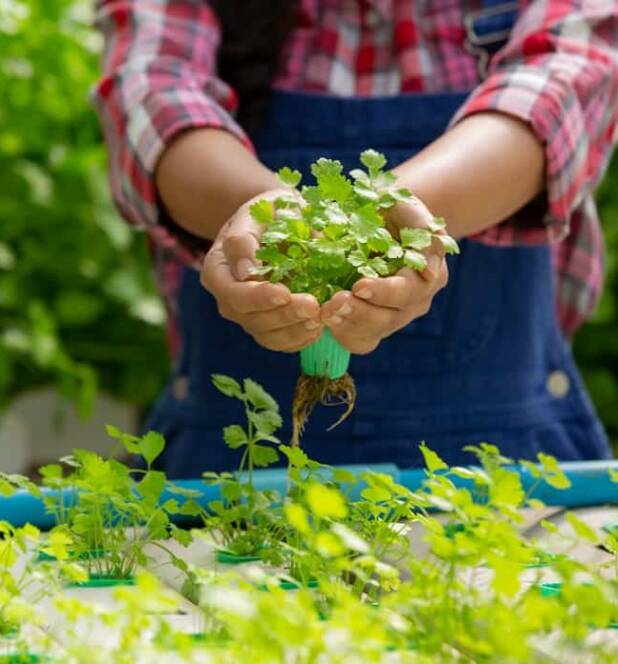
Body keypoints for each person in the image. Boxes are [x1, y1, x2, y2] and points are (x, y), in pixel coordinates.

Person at [92, 0, 618, 478]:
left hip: (503, 453)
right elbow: (153, 92)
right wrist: (259, 214)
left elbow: (563, 84)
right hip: (232, 463)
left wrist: (403, 219)